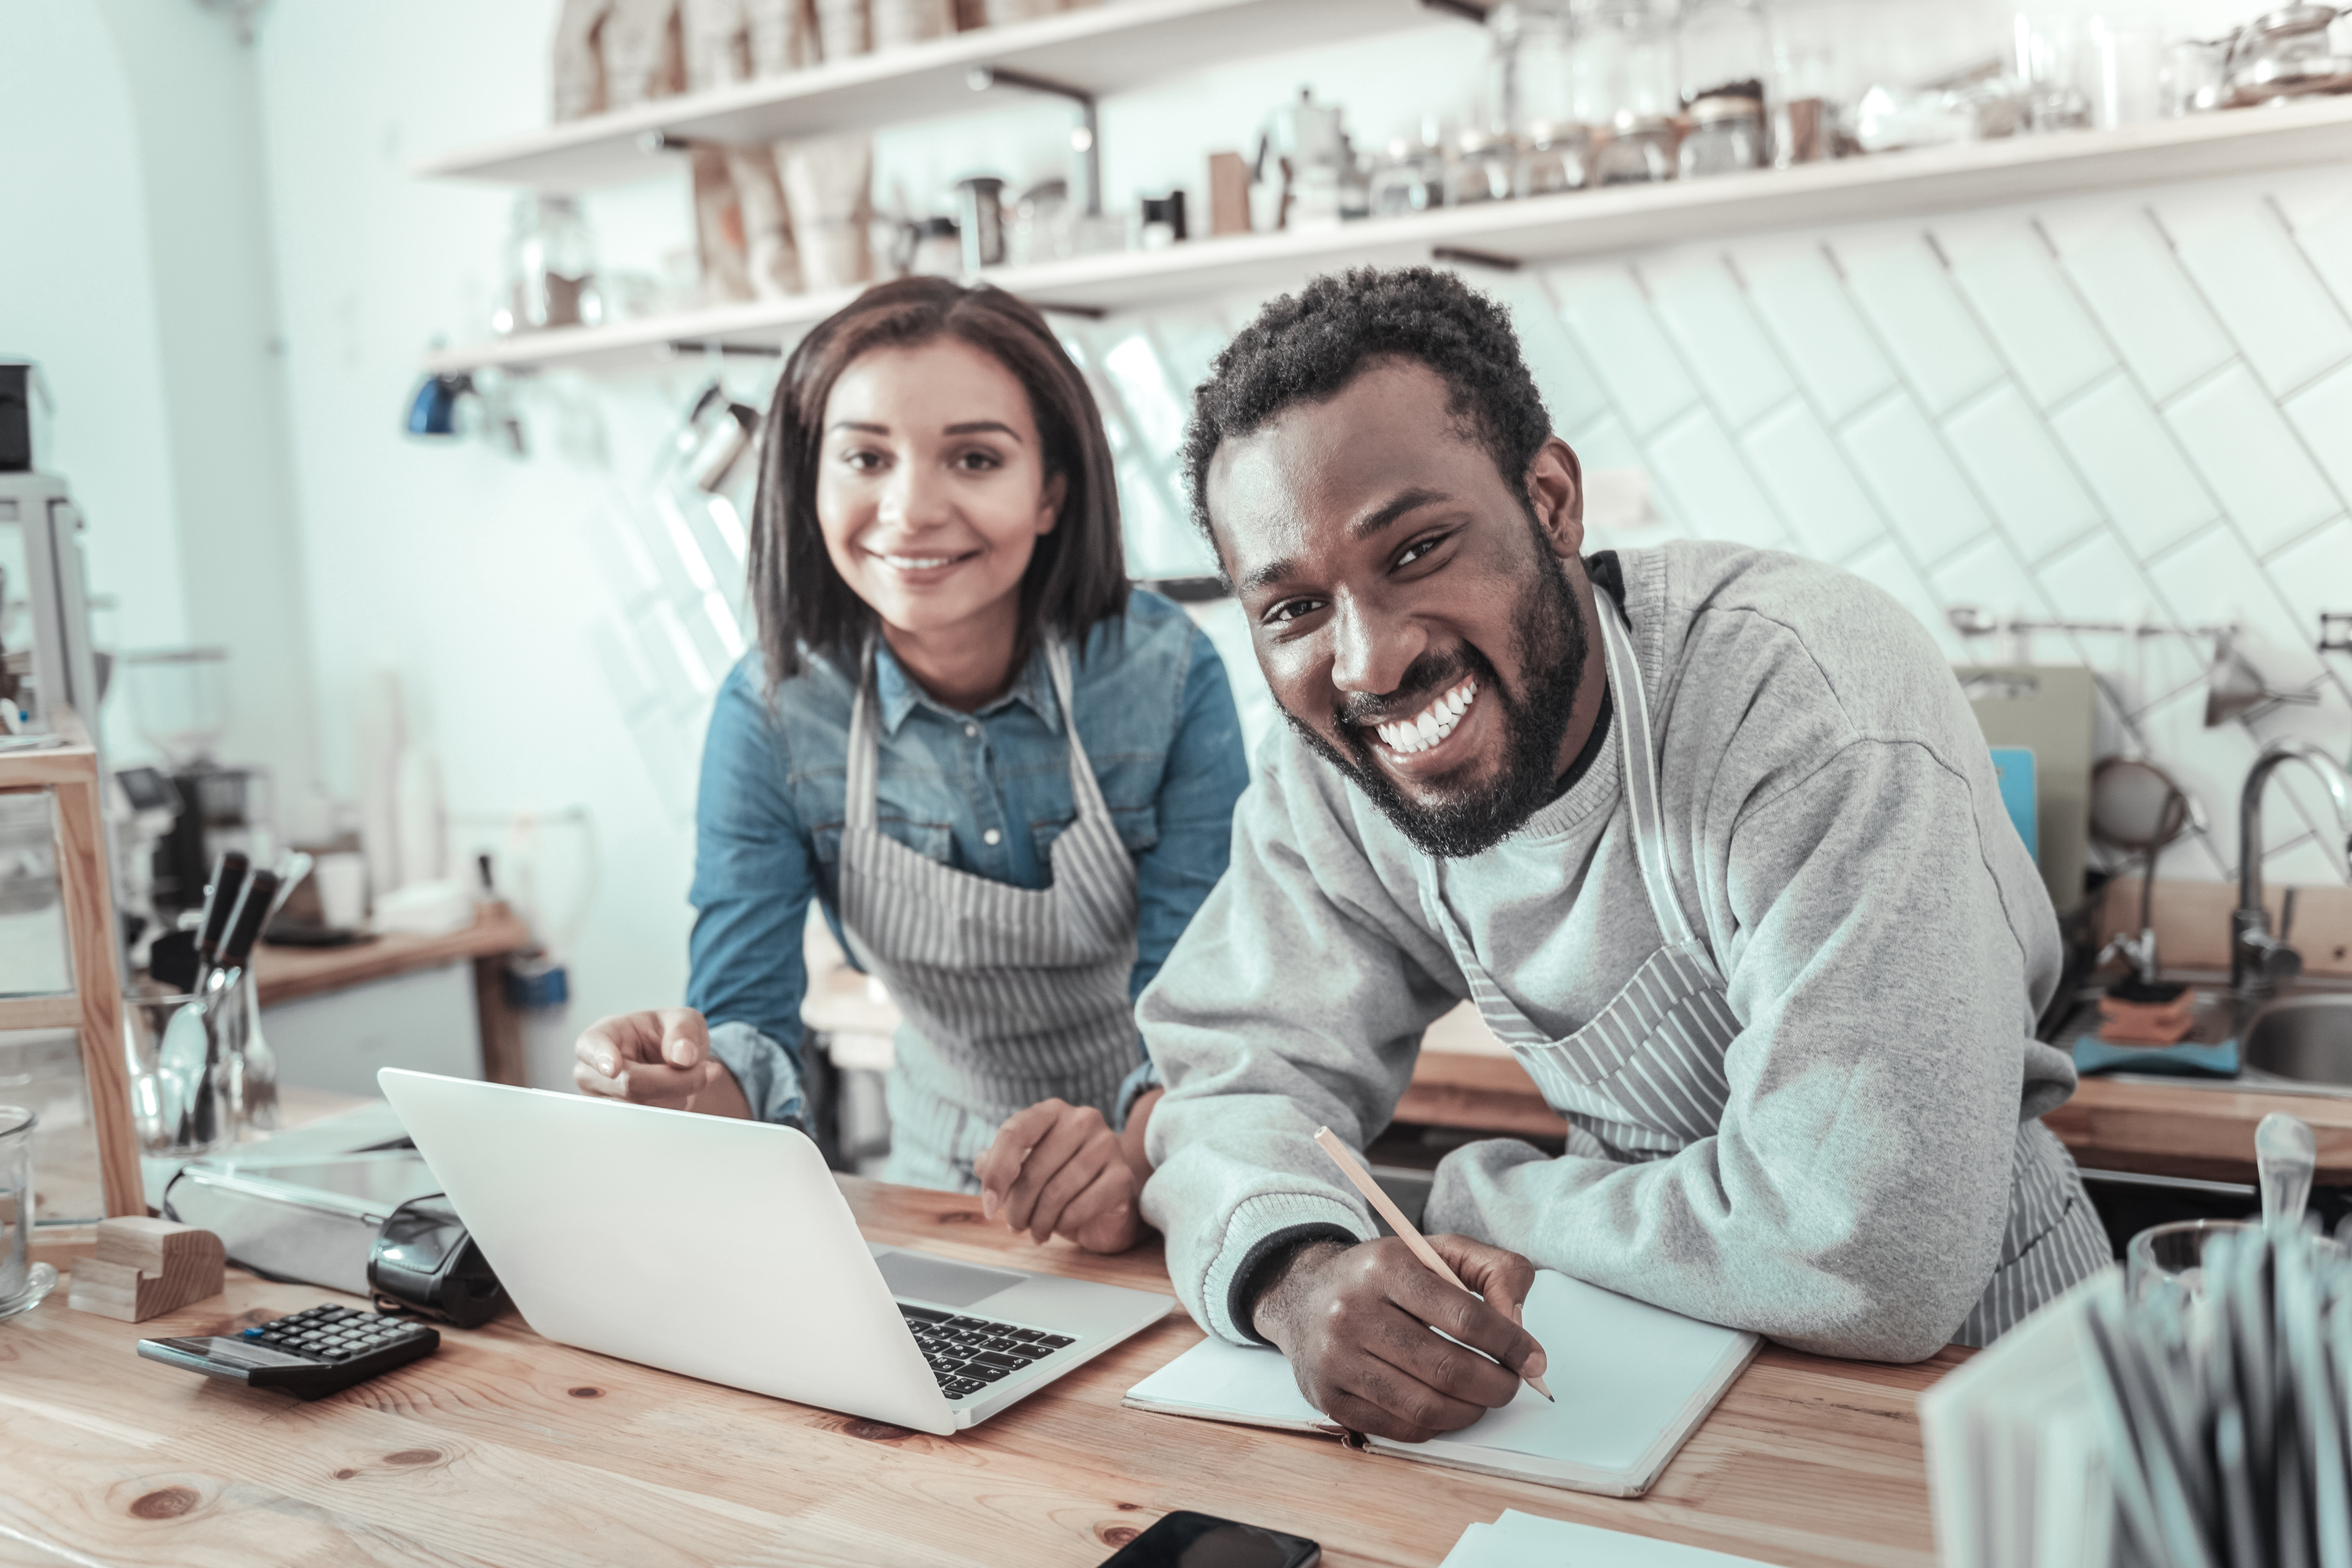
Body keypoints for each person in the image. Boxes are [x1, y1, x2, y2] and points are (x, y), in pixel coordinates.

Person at [1137, 266, 2109, 1443]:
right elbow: (1231, 1075)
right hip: (1627, 1365)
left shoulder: (1806, 707)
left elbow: (1863, 1252)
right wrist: (1291, 1273)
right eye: (1290, 608)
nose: (1371, 663)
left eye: (1417, 550)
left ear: (1550, 500)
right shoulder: (1339, 772)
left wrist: (1481, 1196)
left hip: (1978, 1380)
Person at [575, 278, 1249, 1254]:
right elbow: (745, 1028)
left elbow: (1206, 1000)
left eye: (974, 457)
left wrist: (1133, 1156)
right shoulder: (770, 711)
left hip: (1163, 1165)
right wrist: (681, 1081)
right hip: (936, 1195)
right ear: (812, 480)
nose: (912, 508)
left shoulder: (1164, 674)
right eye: (865, 457)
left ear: (1051, 490)